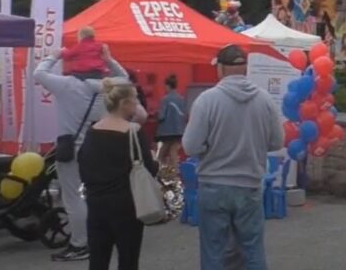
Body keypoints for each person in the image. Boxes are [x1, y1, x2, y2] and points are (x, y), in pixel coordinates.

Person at [34, 45, 147, 262]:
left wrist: (57, 54)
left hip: (72, 149)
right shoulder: (108, 85)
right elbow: (124, 78)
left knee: (74, 197)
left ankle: (79, 243)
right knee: (100, 195)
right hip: (99, 145)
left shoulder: (66, 84)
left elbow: (39, 73)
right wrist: (110, 59)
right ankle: (101, 235)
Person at [182, 44, 284, 270]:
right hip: (250, 185)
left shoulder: (206, 101)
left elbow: (190, 146)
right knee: (253, 250)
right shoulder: (265, 100)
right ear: (246, 69)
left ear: (219, 69)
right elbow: (277, 142)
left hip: (214, 185)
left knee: (214, 251)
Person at [78, 80, 159, 270]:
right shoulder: (133, 132)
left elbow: (83, 166)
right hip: (127, 204)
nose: (137, 104)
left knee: (98, 258)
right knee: (128, 258)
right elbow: (149, 168)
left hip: (96, 202)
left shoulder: (93, 131)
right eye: (135, 99)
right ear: (124, 104)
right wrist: (155, 161)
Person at [155, 75, 187, 169]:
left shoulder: (165, 99)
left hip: (166, 131)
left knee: (162, 153)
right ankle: (175, 172)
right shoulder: (181, 98)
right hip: (179, 129)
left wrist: (155, 115)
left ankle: (161, 171)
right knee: (174, 151)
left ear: (167, 86)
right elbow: (184, 114)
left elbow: (161, 116)